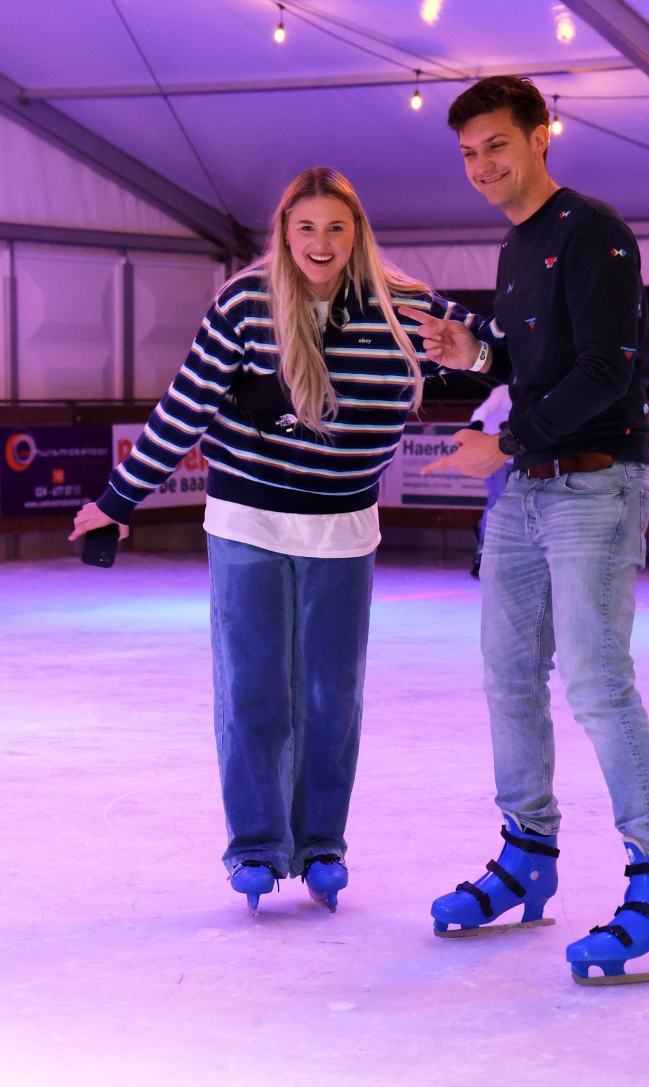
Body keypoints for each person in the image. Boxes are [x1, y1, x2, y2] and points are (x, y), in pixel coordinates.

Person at [71, 167, 478, 917]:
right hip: (247, 526)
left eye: (336, 227)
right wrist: (119, 499)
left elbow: (497, 347)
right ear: (284, 233)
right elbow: (186, 405)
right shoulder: (246, 303)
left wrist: (477, 356)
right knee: (254, 687)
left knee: (332, 695)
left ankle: (321, 842)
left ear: (356, 233)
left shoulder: (402, 303)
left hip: (343, 530)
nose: (321, 242)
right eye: (306, 227)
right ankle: (256, 845)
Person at [400, 76, 649, 986]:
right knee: (507, 677)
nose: (480, 166)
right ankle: (526, 855)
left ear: (542, 136)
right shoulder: (516, 245)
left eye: (496, 144)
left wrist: (502, 442)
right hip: (526, 491)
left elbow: (607, 370)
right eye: (467, 153)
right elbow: (536, 362)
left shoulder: (592, 231)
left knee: (595, 682)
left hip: (592, 486)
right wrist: (477, 355)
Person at [466, 383, 511, 577]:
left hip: (520, 457)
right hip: (495, 455)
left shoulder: (536, 390)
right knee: (497, 499)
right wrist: (475, 428)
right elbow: (481, 412)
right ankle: (483, 551)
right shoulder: (503, 392)